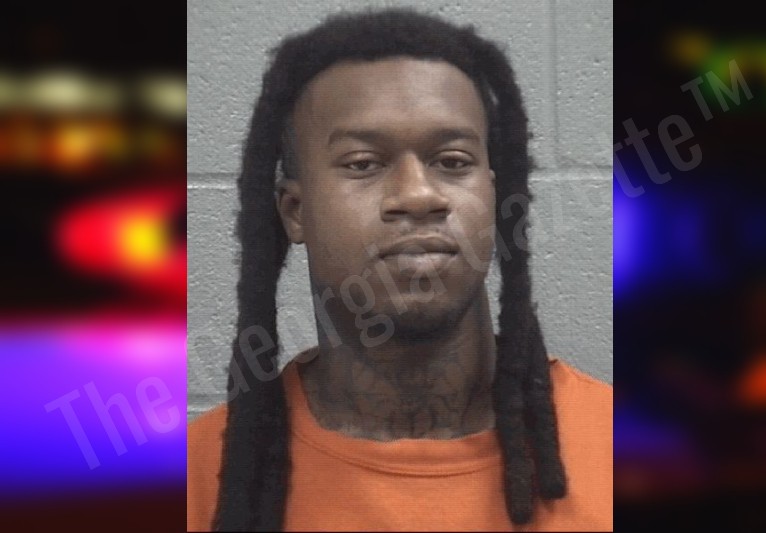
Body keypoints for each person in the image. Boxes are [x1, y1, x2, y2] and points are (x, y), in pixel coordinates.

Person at [187, 8, 612, 532]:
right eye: (363, 163)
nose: (418, 195)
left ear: (495, 195)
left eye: (452, 161)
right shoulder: (196, 479)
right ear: (295, 212)